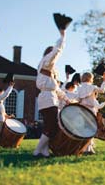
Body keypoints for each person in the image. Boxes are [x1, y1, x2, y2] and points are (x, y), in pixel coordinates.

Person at [34, 29, 70, 157]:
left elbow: (57, 89)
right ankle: (38, 150)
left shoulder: (50, 72)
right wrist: (62, 36)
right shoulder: (46, 62)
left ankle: (44, 150)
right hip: (47, 98)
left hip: (50, 97)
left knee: (50, 125)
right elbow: (56, 52)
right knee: (52, 125)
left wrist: (66, 99)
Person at [76, 72, 105, 154]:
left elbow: (77, 99)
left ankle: (87, 148)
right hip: (90, 110)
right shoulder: (92, 87)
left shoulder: (79, 88)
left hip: (82, 109)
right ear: (90, 78)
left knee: (84, 129)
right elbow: (102, 90)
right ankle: (88, 148)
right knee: (91, 129)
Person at [0, 82, 15, 148]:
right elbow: (6, 94)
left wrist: (9, 116)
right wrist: (10, 87)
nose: (3, 94)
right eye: (2, 93)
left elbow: (2, 112)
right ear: (0, 92)